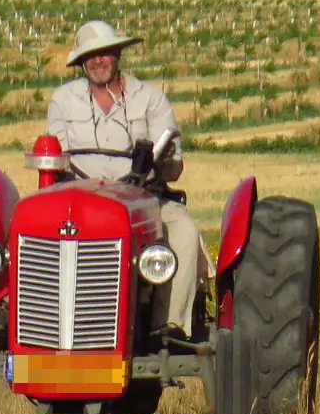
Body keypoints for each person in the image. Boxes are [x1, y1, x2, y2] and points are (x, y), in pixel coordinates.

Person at [45, 19, 210, 339]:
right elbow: (56, 157)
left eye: (104, 53)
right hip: (80, 198)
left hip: (143, 197)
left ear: (118, 54)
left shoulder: (150, 99)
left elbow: (174, 167)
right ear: (81, 62)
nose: (97, 61)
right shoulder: (63, 100)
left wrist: (162, 160)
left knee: (184, 230)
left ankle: (170, 324)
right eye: (89, 56)